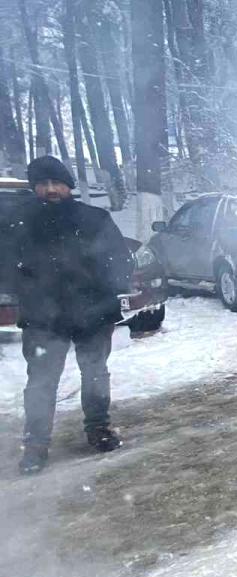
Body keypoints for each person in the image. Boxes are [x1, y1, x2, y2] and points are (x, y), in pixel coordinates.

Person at [10, 156, 133, 474]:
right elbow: (5, 265)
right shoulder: (18, 222)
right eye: (42, 184)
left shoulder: (94, 218)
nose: (50, 189)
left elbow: (120, 259)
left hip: (91, 313)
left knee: (94, 374)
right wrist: (26, 290)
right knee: (40, 383)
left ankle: (98, 429)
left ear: (68, 185)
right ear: (35, 187)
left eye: (56, 183)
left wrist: (106, 289)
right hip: (43, 319)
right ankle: (36, 445)